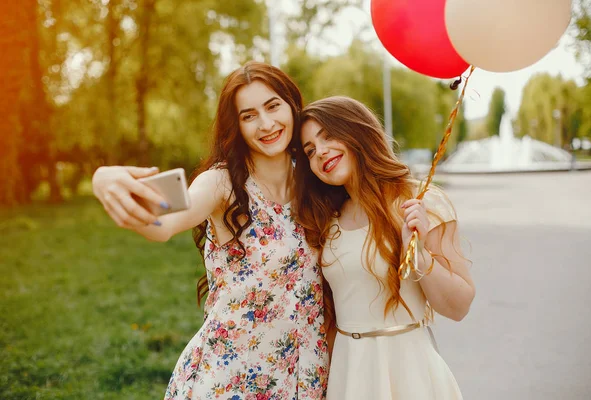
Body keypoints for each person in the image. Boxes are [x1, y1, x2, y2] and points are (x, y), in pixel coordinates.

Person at [91, 61, 328, 400]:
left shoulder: (315, 181)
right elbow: (163, 224)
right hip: (233, 376)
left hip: (304, 374)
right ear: (237, 126)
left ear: (292, 106)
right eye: (249, 116)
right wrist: (104, 179)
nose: (266, 124)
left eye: (273, 106)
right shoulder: (222, 183)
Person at [294, 96, 475, 400]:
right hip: (349, 375)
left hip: (411, 373)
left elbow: (458, 306)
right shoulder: (325, 219)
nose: (320, 152)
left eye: (328, 135)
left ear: (357, 132)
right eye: (310, 150)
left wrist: (419, 257)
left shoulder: (420, 201)